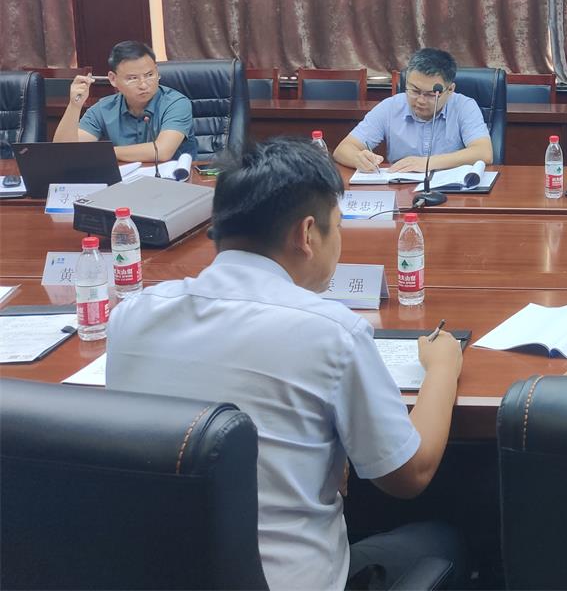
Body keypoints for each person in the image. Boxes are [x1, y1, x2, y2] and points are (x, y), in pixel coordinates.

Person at [107, 138, 465, 590]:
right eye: (338, 226)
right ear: (307, 234)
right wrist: (442, 367)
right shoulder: (332, 332)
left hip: (156, 574)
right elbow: (409, 474)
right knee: (442, 541)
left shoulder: (131, 316)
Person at [333, 47, 492, 173]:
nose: (420, 100)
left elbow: (484, 152)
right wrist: (358, 159)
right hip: (401, 191)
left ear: (450, 90)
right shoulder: (390, 107)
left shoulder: (464, 106)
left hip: (451, 191)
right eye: (414, 90)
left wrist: (426, 163)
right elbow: (342, 149)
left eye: (431, 94)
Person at [53, 40, 197, 162]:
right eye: (133, 78)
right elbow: (65, 152)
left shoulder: (176, 103)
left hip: (172, 182)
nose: (143, 85)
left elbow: (162, 151)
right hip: (123, 181)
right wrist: (74, 105)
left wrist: (103, 152)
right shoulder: (103, 108)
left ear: (157, 71)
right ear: (113, 79)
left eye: (149, 75)